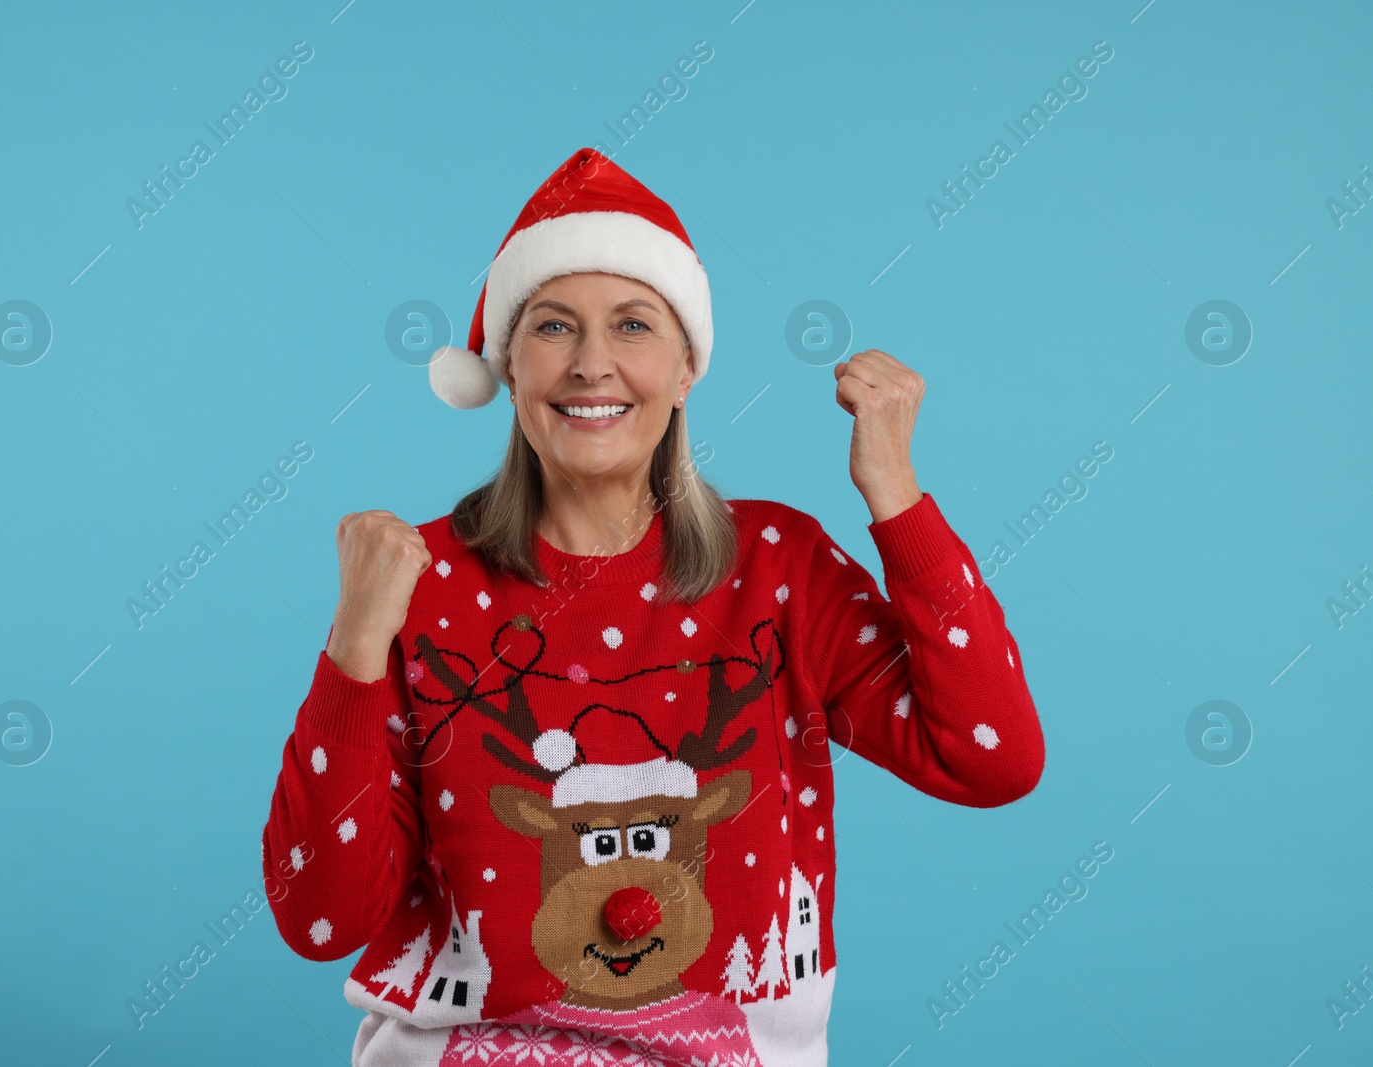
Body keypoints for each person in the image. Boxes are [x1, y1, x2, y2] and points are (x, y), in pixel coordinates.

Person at [261, 147, 1045, 1066]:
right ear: (509, 367)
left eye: (632, 325)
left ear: (685, 369)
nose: (592, 365)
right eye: (554, 327)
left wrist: (899, 502)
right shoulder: (414, 579)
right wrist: (355, 648)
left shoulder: (780, 566)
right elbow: (321, 920)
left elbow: (991, 759)